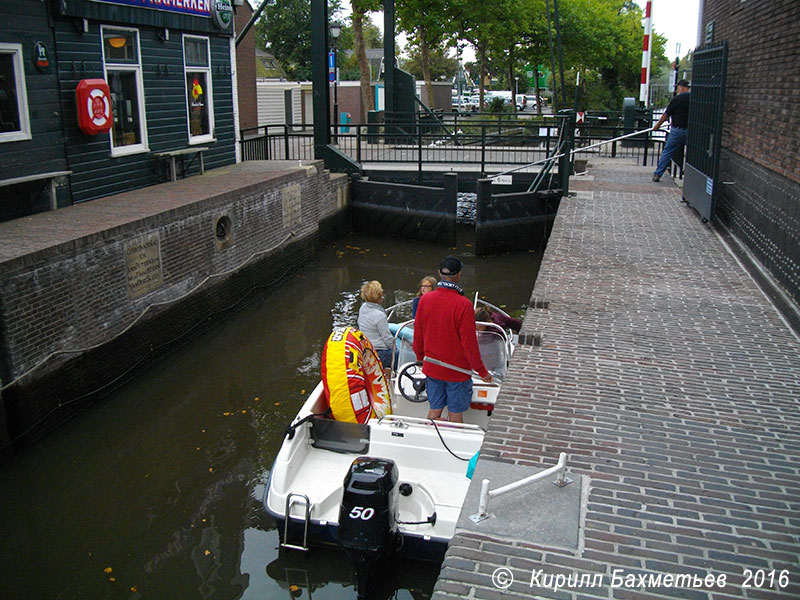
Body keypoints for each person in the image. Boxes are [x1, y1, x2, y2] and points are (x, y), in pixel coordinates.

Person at [413, 256, 492, 423]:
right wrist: (482, 372)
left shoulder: (425, 300)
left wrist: (421, 358)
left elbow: (418, 335)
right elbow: (469, 344)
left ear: (439, 274)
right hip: (458, 372)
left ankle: (429, 441)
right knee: (455, 415)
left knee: (434, 411)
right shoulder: (463, 305)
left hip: (433, 367)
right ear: (459, 275)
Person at [652, 79, 691, 182]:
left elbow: (666, 114)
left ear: (682, 87)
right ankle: (689, 173)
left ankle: (658, 174)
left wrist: (657, 125)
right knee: (692, 153)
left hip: (677, 130)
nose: (677, 90)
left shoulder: (677, 99)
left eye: (678, 87)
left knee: (668, 151)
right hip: (691, 130)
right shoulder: (694, 99)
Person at [357, 280, 395, 371]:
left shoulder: (363, 308)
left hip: (367, 350)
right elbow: (387, 339)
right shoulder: (379, 315)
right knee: (403, 354)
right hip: (380, 352)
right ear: (378, 297)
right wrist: (395, 348)